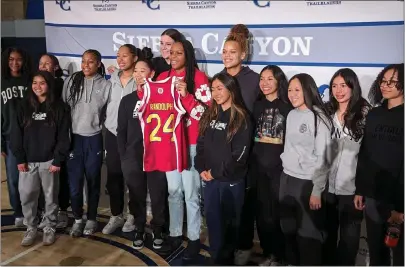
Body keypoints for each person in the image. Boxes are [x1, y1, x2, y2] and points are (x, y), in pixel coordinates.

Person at [156, 39, 210, 259]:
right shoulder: (161, 78)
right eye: (171, 52)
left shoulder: (198, 78)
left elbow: (206, 115)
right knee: (173, 192)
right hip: (169, 144)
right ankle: (176, 234)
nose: (174, 56)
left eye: (179, 52)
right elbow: (152, 109)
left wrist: (187, 95)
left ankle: (195, 238)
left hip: (191, 143)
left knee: (191, 194)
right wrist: (143, 92)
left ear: (187, 55)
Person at [195, 72, 253, 265]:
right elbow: (201, 144)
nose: (216, 93)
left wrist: (215, 173)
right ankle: (216, 258)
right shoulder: (210, 113)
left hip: (230, 182)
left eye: (220, 88)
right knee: (213, 224)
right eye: (213, 89)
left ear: (231, 89)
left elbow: (239, 156)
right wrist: (201, 168)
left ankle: (225, 261)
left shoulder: (241, 117)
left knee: (229, 227)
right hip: (210, 181)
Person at [117, 49, 170, 250]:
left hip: (157, 157)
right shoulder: (128, 100)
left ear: (152, 74)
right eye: (136, 71)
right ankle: (139, 227)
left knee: (158, 196)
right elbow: (121, 130)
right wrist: (124, 156)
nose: (139, 75)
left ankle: (158, 229)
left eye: (143, 71)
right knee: (136, 196)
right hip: (133, 158)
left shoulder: (162, 98)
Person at [10, 71, 70, 246]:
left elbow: (63, 137)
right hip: (28, 162)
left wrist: (57, 160)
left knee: (50, 198)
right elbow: (15, 134)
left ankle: (49, 227)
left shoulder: (60, 107)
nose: (37, 86)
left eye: (42, 83)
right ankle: (31, 228)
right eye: (34, 83)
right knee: (27, 195)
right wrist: (20, 158)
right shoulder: (22, 106)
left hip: (49, 161)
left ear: (49, 85)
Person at [279, 73, 333, 265]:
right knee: (288, 229)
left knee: (308, 236)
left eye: (297, 90)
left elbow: (324, 159)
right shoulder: (291, 114)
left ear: (308, 90)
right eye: (290, 90)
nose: (292, 94)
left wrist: (317, 191)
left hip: (307, 183)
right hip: (286, 178)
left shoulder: (319, 118)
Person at [354, 63, 404, 266]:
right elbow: (365, 153)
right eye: (383, 80)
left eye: (392, 81)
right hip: (374, 196)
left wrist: (400, 206)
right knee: (377, 253)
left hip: (398, 199)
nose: (385, 85)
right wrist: (360, 189)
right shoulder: (374, 114)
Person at [221, 23, 260, 266]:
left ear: (243, 54)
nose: (226, 56)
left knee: (245, 203)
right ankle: (227, 244)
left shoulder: (255, 80)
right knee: (224, 202)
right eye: (224, 51)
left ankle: (244, 246)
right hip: (221, 152)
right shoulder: (219, 79)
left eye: (232, 52)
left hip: (247, 154)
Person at [322, 68, 371, 266]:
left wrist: (362, 189)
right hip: (326, 186)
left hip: (352, 189)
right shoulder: (326, 112)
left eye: (343, 85)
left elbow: (369, 155)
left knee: (350, 240)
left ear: (353, 86)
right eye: (334, 86)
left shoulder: (365, 114)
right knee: (326, 234)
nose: (338, 90)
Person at [62, 49, 112, 237]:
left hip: (94, 139)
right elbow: (64, 108)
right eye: (83, 61)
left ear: (98, 64)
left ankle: (91, 218)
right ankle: (77, 219)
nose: (86, 65)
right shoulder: (71, 81)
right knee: (75, 185)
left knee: (93, 182)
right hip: (74, 139)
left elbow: (107, 113)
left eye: (90, 62)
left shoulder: (106, 85)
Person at [251, 65, 292, 266]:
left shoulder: (287, 107)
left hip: (280, 171)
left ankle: (280, 255)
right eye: (262, 79)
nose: (264, 83)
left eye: (270, 79)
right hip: (258, 169)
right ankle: (268, 252)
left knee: (278, 214)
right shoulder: (256, 106)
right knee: (262, 213)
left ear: (278, 81)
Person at [102, 44, 138, 235]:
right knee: (114, 178)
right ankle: (116, 215)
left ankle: (133, 215)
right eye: (118, 56)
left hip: (132, 137)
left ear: (135, 57)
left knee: (132, 178)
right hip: (112, 134)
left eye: (125, 56)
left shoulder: (140, 79)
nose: (121, 59)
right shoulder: (112, 79)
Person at [37, 53, 70, 229]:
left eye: (47, 64)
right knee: (43, 180)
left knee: (61, 177)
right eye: (41, 63)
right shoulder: (34, 88)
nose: (43, 66)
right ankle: (45, 213)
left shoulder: (61, 85)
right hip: (41, 141)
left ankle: (63, 211)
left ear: (55, 67)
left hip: (58, 138)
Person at [1, 47, 33, 227]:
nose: (15, 63)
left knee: (32, 178)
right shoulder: (1, 81)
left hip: (32, 138)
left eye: (19, 59)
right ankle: (18, 212)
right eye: (11, 59)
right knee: (14, 179)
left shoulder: (30, 80)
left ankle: (35, 210)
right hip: (10, 139)